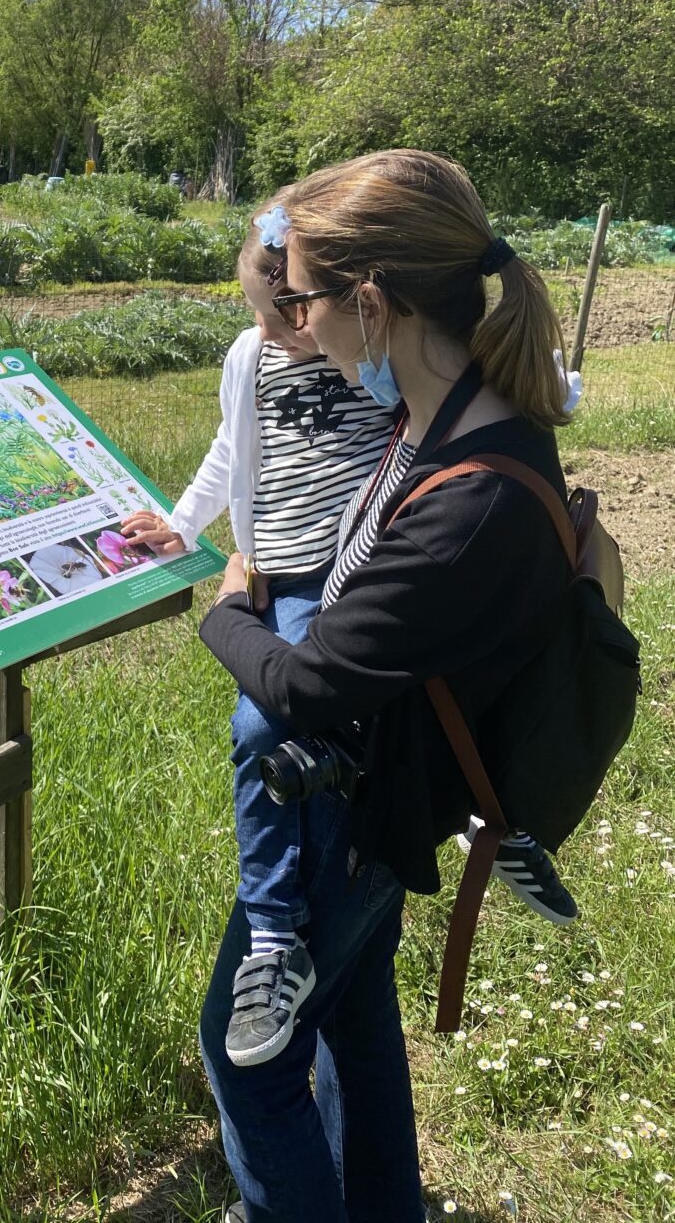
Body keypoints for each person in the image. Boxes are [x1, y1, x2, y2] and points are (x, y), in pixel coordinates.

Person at [192, 149, 580, 1222]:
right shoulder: (448, 408)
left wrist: (227, 608)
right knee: (354, 1017)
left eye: (307, 296)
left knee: (249, 1059)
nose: (296, 320)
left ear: (370, 301)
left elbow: (310, 681)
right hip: (389, 789)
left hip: (353, 812)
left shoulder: (468, 498)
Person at [122, 205, 397, 1067]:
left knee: (258, 729)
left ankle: (273, 932)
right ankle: (279, 930)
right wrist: (181, 525)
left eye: (282, 313)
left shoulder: (374, 361)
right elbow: (225, 453)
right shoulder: (252, 357)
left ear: (327, 298)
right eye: (254, 311)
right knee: (266, 727)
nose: (269, 330)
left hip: (342, 576)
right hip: (278, 579)